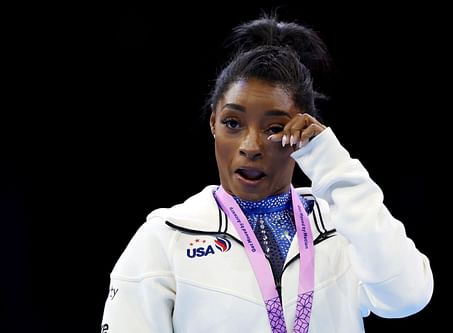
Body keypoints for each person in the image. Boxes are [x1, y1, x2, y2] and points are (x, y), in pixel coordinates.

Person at [101, 13, 433, 333]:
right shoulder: (166, 237)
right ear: (213, 123)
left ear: (300, 135)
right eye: (233, 123)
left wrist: (331, 162)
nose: (251, 145)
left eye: (274, 128)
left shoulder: (343, 226)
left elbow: (406, 297)